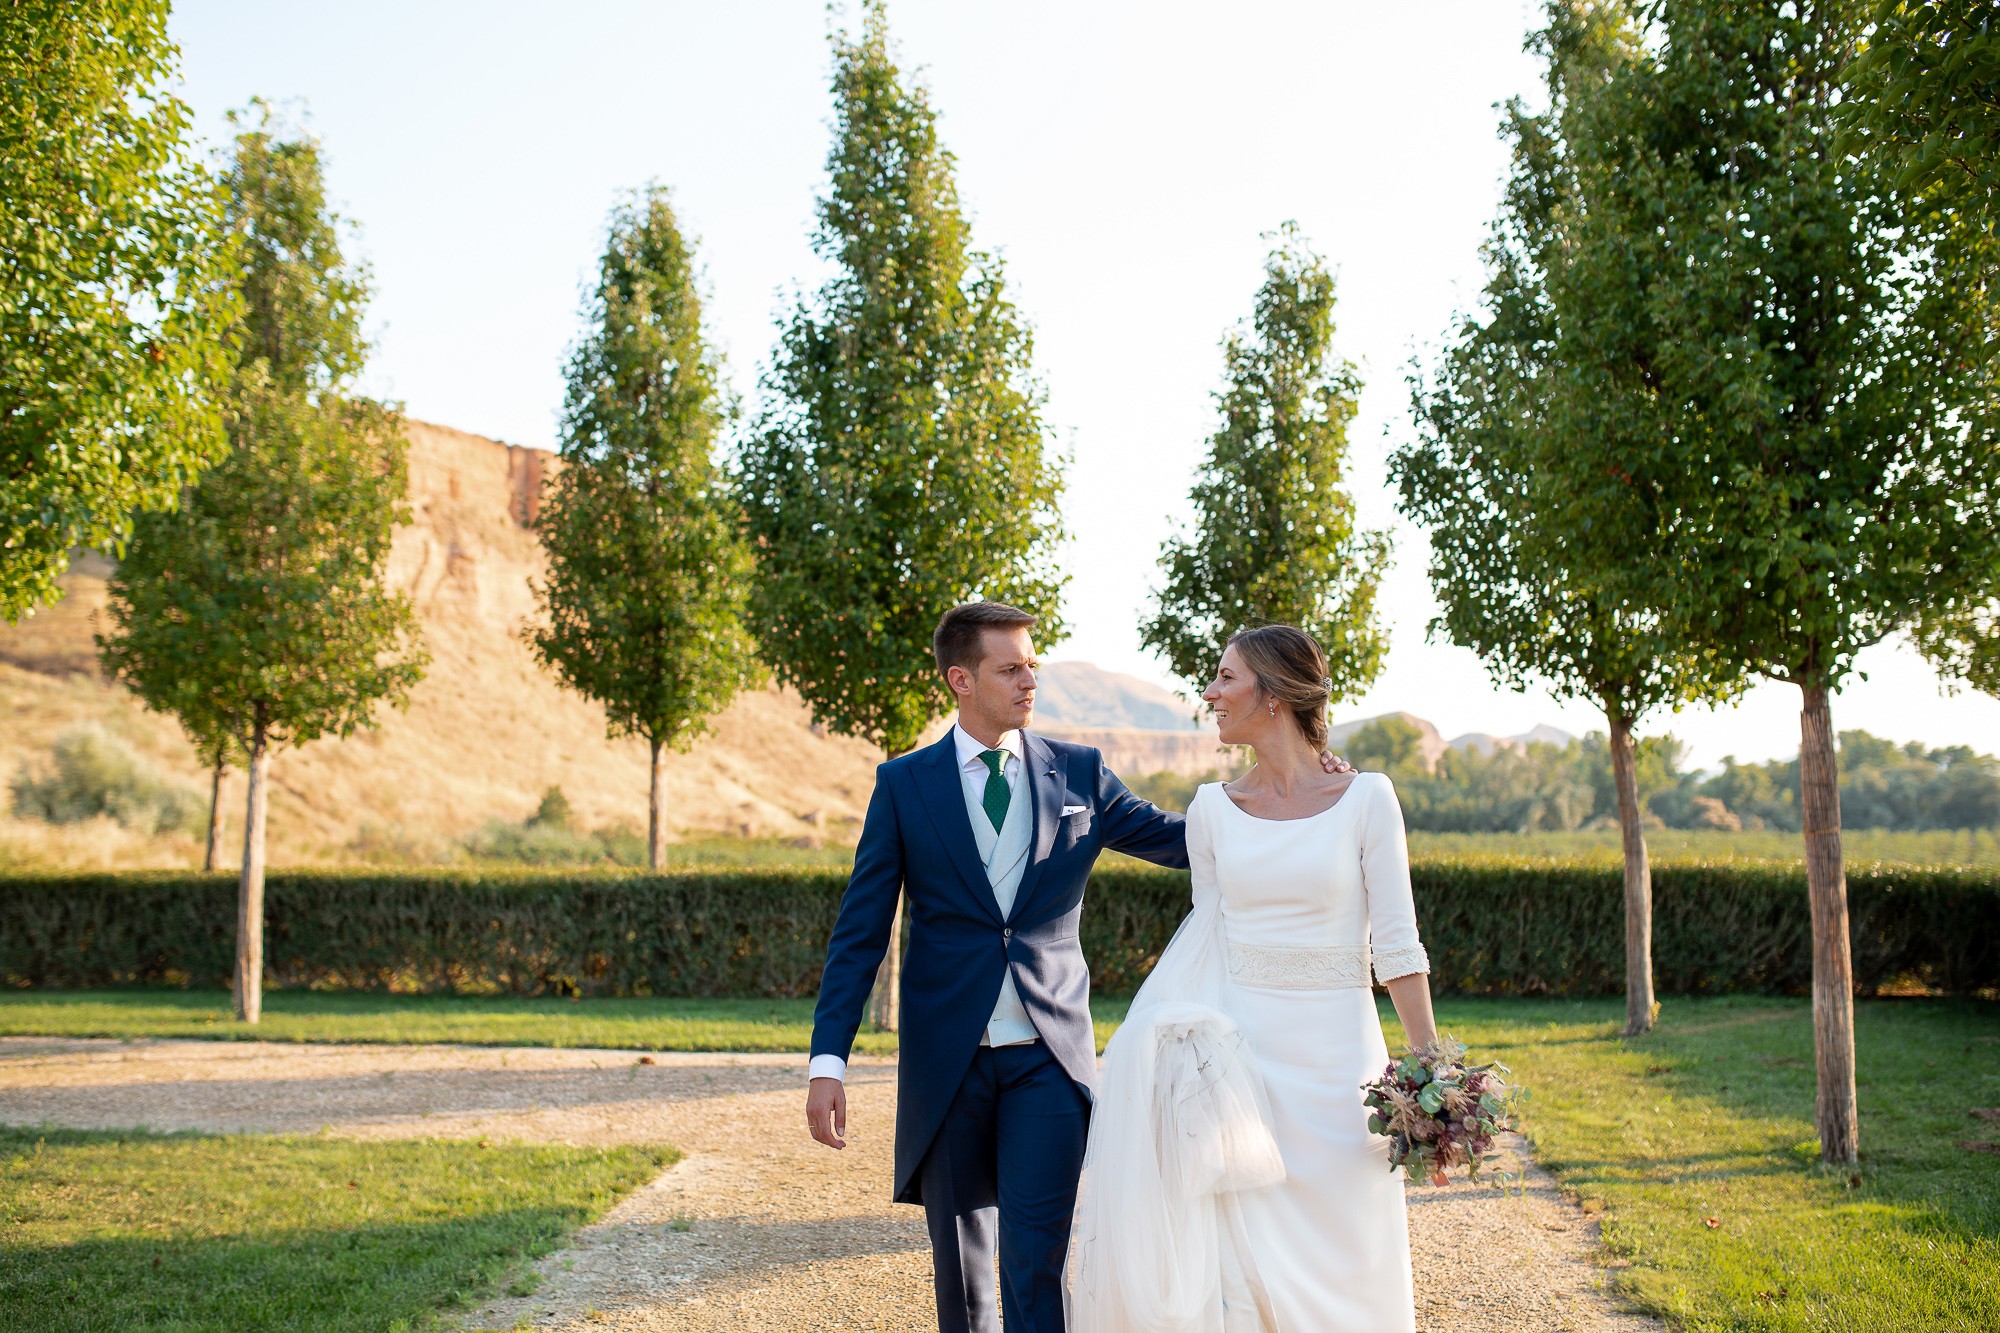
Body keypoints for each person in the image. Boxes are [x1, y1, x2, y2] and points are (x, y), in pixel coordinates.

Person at [804, 602, 1346, 1333]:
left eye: (1033, 663)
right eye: (1011, 667)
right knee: (961, 1282)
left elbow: (1190, 842)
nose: (1030, 679)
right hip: (946, 1064)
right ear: (960, 679)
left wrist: (1305, 784)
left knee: (1037, 1265)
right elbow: (860, 931)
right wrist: (827, 1061)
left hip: (1048, 1064)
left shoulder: (1081, 772)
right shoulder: (904, 786)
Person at [1068, 623, 1437, 1333]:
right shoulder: (1210, 811)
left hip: (1342, 1076)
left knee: (1352, 1254)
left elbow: (1396, 945)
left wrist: (1430, 1073)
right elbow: (1207, 944)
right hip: (1246, 1076)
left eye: (1225, 677)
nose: (1210, 692)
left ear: (1273, 695)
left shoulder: (1369, 799)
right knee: (1244, 1271)